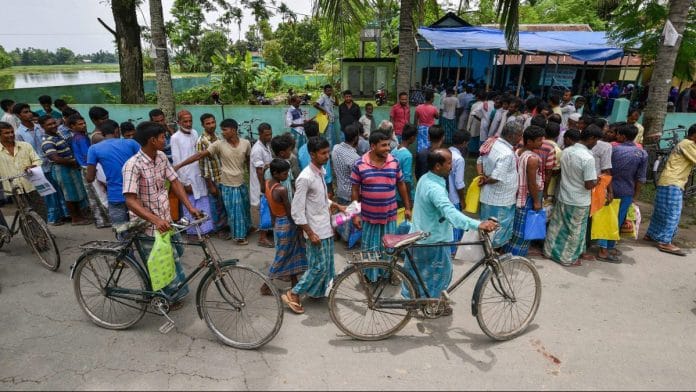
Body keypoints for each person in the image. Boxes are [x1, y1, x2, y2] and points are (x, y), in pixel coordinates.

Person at [404, 148, 497, 312]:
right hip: (434, 239)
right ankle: (434, 304)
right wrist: (478, 224)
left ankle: (417, 300)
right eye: (449, 163)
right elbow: (451, 214)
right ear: (438, 166)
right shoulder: (435, 189)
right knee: (440, 275)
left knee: (419, 272)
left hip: (421, 234)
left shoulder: (426, 179)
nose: (452, 167)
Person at [122, 121, 202, 310]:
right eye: (161, 137)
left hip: (166, 220)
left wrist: (190, 207)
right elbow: (130, 200)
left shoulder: (161, 157)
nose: (164, 139)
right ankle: (165, 297)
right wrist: (155, 220)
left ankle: (167, 290)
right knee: (164, 260)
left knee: (177, 251)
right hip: (148, 224)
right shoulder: (133, 165)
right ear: (152, 140)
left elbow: (174, 182)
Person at [282, 136, 346, 314]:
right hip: (315, 230)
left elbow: (320, 198)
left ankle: (317, 292)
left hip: (325, 227)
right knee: (318, 267)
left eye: (328, 152)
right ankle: (293, 293)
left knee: (327, 265)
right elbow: (296, 211)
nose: (327, 156)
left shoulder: (321, 171)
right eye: (323, 153)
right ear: (312, 154)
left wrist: (336, 205)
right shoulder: (305, 178)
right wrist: (310, 233)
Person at [173, 119, 251, 245]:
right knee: (234, 211)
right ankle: (239, 236)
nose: (222, 132)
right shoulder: (219, 144)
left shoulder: (246, 143)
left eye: (225, 130)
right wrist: (179, 165)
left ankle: (246, 228)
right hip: (228, 184)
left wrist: (251, 176)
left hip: (241, 182)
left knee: (245, 208)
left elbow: (248, 159)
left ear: (233, 130)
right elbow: (199, 156)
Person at [351, 131, 412, 281]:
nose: (388, 148)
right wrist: (355, 215)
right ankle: (369, 275)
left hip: (389, 215)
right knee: (370, 248)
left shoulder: (394, 162)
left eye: (389, 145)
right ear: (372, 146)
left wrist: (408, 207)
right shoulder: (359, 164)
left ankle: (388, 274)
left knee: (389, 248)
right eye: (383, 145)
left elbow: (401, 185)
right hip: (369, 216)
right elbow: (354, 191)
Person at [544, 125, 601, 266]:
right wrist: (598, 180)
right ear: (591, 138)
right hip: (579, 200)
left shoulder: (567, 151)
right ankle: (568, 258)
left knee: (557, 226)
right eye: (596, 140)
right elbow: (588, 184)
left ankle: (549, 251)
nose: (596, 144)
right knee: (575, 231)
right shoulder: (588, 158)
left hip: (564, 195)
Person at [597, 123, 647, 262]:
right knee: (617, 220)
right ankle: (608, 247)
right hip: (627, 190)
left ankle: (603, 248)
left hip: (609, 188)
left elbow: (606, 169)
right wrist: (635, 196)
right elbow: (641, 178)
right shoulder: (641, 153)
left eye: (618, 134)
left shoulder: (612, 149)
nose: (616, 136)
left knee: (605, 218)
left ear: (623, 136)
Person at [14, 103, 69, 224]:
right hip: (37, 167)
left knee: (58, 189)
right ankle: (53, 218)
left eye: (29, 111)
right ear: (18, 115)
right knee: (47, 193)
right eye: (25, 112)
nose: (29, 114)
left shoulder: (40, 126)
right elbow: (23, 152)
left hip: (51, 163)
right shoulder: (19, 133)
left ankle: (65, 213)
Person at [645, 124, 696, 256]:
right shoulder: (688, 144)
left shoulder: (684, 143)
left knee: (661, 211)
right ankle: (665, 242)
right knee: (673, 213)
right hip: (674, 182)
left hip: (667, 181)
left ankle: (652, 234)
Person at [261, 159, 308, 295]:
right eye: (284, 173)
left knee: (292, 253)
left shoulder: (268, 184)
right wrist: (300, 226)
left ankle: (294, 282)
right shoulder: (281, 189)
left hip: (278, 222)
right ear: (275, 173)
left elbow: (270, 206)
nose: (287, 175)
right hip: (288, 224)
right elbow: (290, 212)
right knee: (281, 257)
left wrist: (273, 220)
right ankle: (266, 285)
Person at [85, 119, 140, 231]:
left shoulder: (94, 149)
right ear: (117, 131)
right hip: (136, 193)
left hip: (115, 195)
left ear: (101, 133)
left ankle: (126, 248)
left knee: (121, 230)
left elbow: (89, 178)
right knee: (142, 228)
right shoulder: (131, 143)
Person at [39, 115, 91, 226]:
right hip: (61, 169)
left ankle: (80, 215)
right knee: (69, 194)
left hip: (69, 167)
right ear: (42, 126)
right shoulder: (47, 141)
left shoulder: (58, 135)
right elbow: (55, 158)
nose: (53, 125)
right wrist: (74, 162)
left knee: (75, 192)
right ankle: (75, 219)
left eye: (54, 123)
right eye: (49, 124)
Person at [478, 121, 522, 249]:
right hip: (500, 200)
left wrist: (481, 176)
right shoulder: (507, 153)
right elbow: (496, 177)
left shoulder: (492, 143)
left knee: (485, 228)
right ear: (513, 135)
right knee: (495, 231)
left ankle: (485, 250)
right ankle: (492, 254)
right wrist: (485, 180)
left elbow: (480, 159)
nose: (520, 138)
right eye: (520, 135)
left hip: (489, 197)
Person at [502, 126, 545, 256]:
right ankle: (517, 254)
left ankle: (509, 251)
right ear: (529, 141)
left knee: (516, 225)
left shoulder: (518, 151)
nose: (541, 143)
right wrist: (537, 201)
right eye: (538, 140)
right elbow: (531, 183)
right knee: (524, 227)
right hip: (528, 196)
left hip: (517, 194)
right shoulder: (532, 159)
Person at [171, 109, 214, 236]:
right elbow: (177, 161)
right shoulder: (175, 138)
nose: (188, 124)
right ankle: (192, 232)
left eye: (190, 121)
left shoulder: (195, 133)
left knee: (203, 200)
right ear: (179, 122)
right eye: (185, 121)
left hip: (199, 173)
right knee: (190, 203)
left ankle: (205, 230)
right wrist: (184, 182)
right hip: (186, 177)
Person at [68, 113, 111, 228]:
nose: (83, 125)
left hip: (86, 167)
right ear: (72, 126)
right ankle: (107, 219)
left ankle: (101, 220)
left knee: (93, 196)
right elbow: (88, 156)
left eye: (84, 123)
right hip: (90, 168)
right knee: (100, 194)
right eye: (80, 124)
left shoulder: (80, 136)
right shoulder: (80, 138)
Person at [0, 121, 48, 221]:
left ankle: (44, 232)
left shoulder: (25, 146)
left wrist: (33, 166)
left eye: (12, 132)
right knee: (24, 214)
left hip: (32, 184)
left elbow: (37, 160)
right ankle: (33, 235)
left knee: (41, 210)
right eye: (6, 133)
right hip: (14, 188)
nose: (11, 135)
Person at [195, 113, 229, 239]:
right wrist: (210, 184)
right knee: (216, 205)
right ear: (203, 125)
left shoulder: (219, 137)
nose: (211, 126)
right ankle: (219, 229)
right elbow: (202, 164)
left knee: (223, 204)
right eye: (208, 123)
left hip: (223, 177)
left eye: (213, 122)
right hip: (213, 179)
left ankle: (225, 226)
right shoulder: (201, 141)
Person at [249, 123, 274, 248]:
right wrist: (263, 187)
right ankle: (262, 238)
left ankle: (267, 231)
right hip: (261, 185)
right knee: (265, 211)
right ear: (260, 134)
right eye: (266, 135)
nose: (269, 136)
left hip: (266, 183)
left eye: (270, 134)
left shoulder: (266, 145)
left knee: (267, 210)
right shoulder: (257, 149)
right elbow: (260, 170)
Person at [447, 130, 470, 254]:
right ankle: (452, 249)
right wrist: (462, 199)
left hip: (444, 194)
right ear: (464, 143)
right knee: (455, 223)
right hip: (454, 197)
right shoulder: (459, 159)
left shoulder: (445, 152)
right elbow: (459, 183)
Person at [298, 120, 333, 199]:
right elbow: (327, 173)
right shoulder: (322, 149)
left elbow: (300, 167)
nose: (326, 155)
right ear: (318, 132)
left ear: (306, 134)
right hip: (321, 185)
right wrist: (330, 190)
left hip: (308, 186)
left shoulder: (301, 150)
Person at [331, 123, 360, 205]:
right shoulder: (355, 158)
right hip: (350, 196)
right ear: (356, 138)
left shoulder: (335, 148)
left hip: (340, 192)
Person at [392, 123, 417, 206]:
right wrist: (408, 199)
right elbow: (406, 179)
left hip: (394, 192)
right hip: (403, 195)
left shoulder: (394, 150)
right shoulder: (407, 155)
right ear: (412, 138)